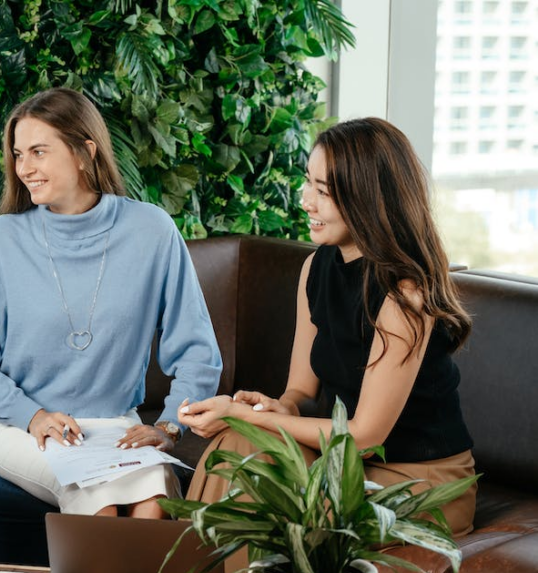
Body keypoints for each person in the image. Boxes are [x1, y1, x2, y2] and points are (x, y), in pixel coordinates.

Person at [179, 117, 477, 536]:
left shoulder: (404, 294)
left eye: (323, 192)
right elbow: (301, 392)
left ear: (367, 199)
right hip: (347, 463)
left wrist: (248, 418)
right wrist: (270, 408)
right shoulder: (315, 269)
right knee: (237, 447)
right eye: (308, 184)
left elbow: (364, 437)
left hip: (417, 480)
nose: (305, 202)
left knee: (263, 472)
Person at [0, 88, 222, 518]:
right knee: (102, 503)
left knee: (154, 500)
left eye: (38, 151)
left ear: (84, 152)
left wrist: (169, 426)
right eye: (19, 154)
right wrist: (31, 414)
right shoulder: (2, 240)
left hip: (116, 423)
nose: (24, 168)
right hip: (27, 430)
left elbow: (197, 352)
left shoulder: (152, 231)